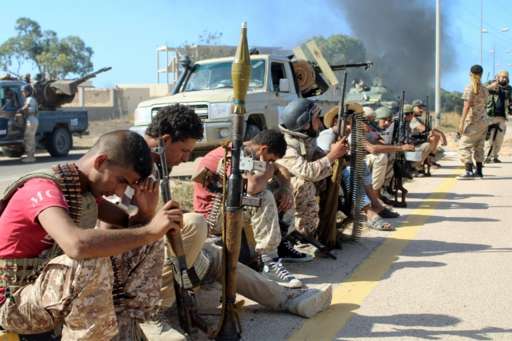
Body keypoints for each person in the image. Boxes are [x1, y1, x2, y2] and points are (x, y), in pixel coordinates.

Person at [139, 104, 333, 340]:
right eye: (183, 151)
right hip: (142, 265)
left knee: (219, 258)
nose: (186, 159)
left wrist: (282, 184)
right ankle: (151, 314)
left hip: (159, 250)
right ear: (166, 140)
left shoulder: (153, 163)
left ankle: (285, 298)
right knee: (198, 224)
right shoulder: (132, 161)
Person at [0, 130, 182, 340]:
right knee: (88, 259)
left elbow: (131, 230)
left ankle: (127, 327)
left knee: (148, 243)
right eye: (121, 180)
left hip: (44, 294)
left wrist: (145, 214)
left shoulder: (83, 192)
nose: (120, 193)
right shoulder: (42, 188)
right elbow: (76, 245)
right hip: (13, 302)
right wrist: (150, 230)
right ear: (101, 161)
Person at [194, 129, 308, 289]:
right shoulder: (235, 154)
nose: (269, 163)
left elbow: (280, 169)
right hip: (213, 218)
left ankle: (280, 243)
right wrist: (267, 175)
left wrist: (285, 187)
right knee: (264, 197)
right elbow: (253, 188)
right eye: (269, 158)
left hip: (228, 206)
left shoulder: (248, 150)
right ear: (263, 149)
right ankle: (269, 262)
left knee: (278, 191)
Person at [276, 99, 348, 239]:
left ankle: (324, 227)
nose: (319, 123)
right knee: (304, 184)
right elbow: (307, 172)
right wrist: (332, 156)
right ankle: (303, 234)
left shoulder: (306, 140)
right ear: (305, 123)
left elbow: (320, 159)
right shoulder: (287, 146)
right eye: (316, 119)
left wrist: (335, 153)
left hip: (294, 192)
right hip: (282, 191)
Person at [458, 64, 489, 179]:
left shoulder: (469, 88)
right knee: (479, 146)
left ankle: (469, 171)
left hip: (473, 122)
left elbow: (466, 107)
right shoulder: (485, 88)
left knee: (464, 146)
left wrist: (461, 123)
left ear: (470, 74)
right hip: (484, 121)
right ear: (481, 74)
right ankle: (479, 172)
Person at [485, 70, 512, 163]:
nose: (504, 78)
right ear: (498, 77)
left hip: (502, 117)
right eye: (502, 77)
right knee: (490, 137)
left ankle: (495, 156)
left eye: (505, 77)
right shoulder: (491, 85)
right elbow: (482, 91)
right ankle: (487, 156)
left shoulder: (509, 89)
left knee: (499, 138)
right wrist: (491, 86)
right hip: (490, 116)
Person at [18, 84, 39, 163]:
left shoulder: (29, 99)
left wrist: (20, 110)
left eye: (23, 91)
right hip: (32, 119)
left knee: (29, 138)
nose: (23, 93)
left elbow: (26, 107)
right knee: (30, 138)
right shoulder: (30, 98)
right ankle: (30, 155)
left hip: (31, 119)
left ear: (28, 91)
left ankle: (30, 157)